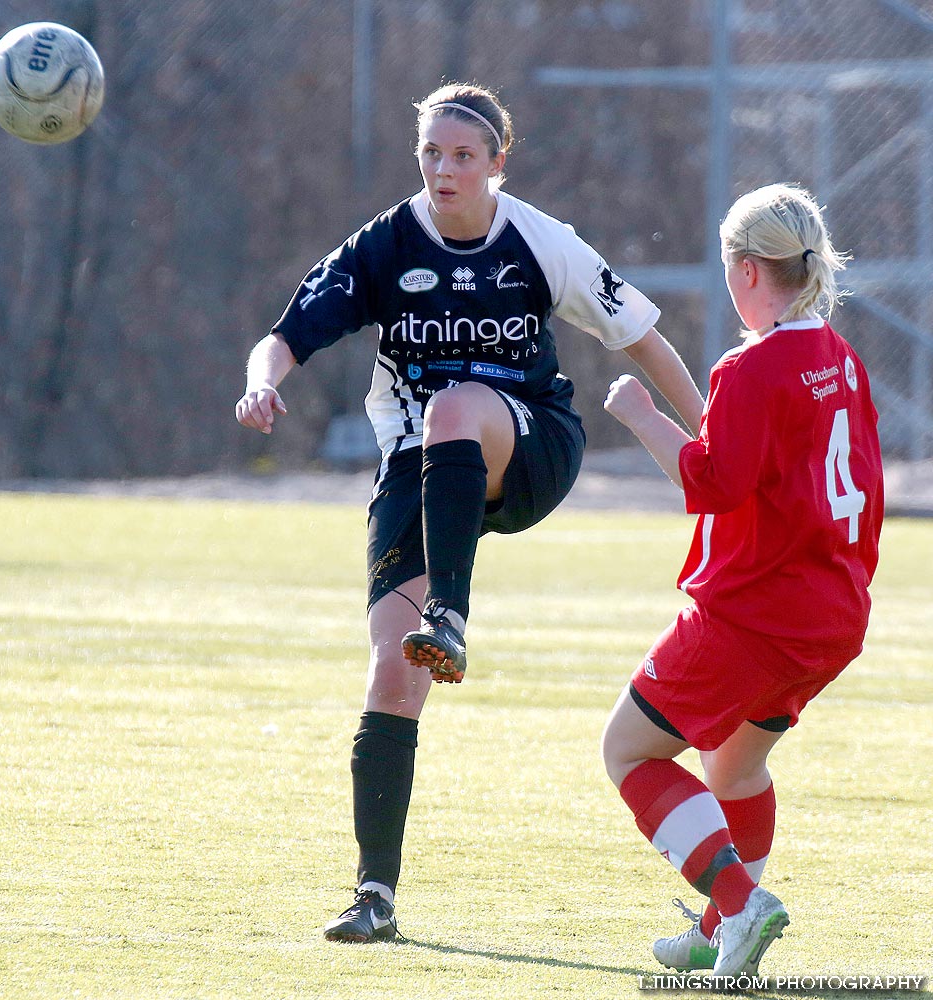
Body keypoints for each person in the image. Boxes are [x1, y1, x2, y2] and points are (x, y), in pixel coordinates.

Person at [236, 82, 704, 943]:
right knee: (389, 671)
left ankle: (450, 610)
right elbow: (288, 332)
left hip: (530, 448)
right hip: (421, 471)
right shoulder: (385, 244)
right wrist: (264, 384)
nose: (444, 170)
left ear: (497, 164)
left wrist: (706, 428)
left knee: (452, 404)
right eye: (431, 154)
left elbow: (638, 333)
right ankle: (374, 896)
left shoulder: (538, 240)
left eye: (462, 156)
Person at [601, 182, 884, 978]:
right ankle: (720, 936)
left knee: (629, 752)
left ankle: (739, 905)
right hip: (833, 616)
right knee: (732, 768)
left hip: (753, 617)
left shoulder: (751, 365)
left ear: (749, 272)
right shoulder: (841, 357)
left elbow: (716, 486)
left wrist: (642, 414)